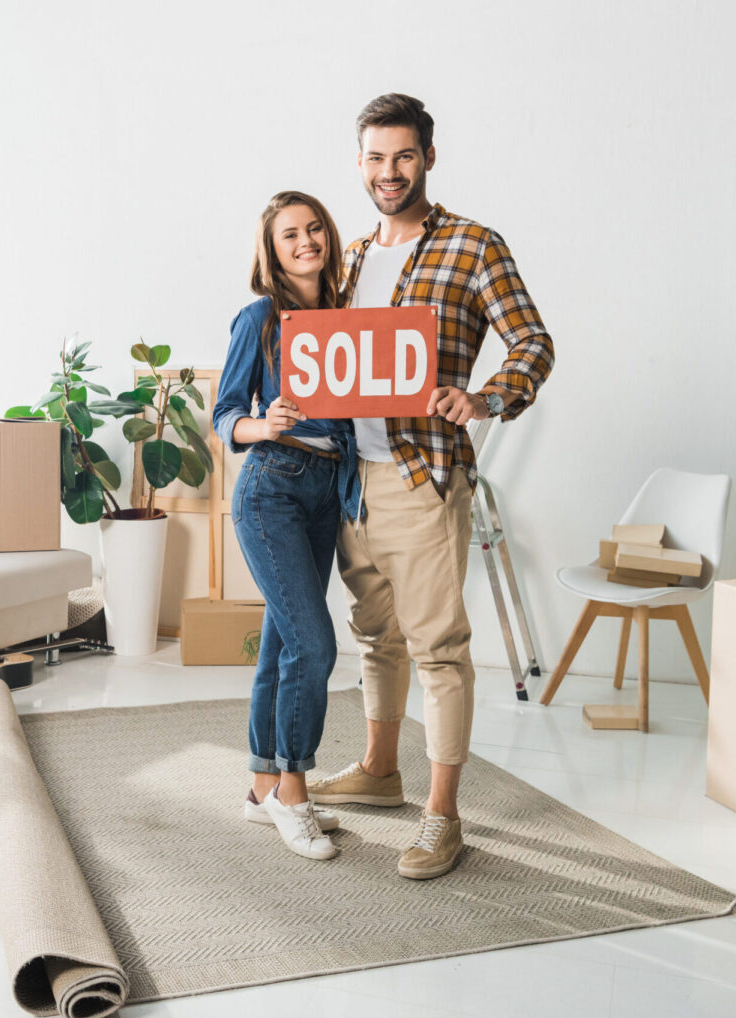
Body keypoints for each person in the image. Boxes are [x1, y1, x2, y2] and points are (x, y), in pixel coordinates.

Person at [307, 94, 555, 879]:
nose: (389, 173)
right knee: (375, 634)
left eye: (403, 156)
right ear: (359, 162)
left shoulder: (473, 247)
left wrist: (485, 397)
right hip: (351, 478)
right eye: (375, 158)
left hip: (422, 477)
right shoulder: (344, 259)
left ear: (429, 158)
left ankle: (441, 817)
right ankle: (380, 772)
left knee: (438, 650)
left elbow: (532, 341)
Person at [212, 190, 354, 862]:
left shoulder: (348, 317)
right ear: (271, 251)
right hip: (272, 486)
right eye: (289, 235)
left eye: (314, 229)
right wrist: (258, 424)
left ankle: (260, 786)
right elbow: (224, 416)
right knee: (314, 646)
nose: (304, 242)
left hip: (327, 490)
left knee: (282, 645)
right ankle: (292, 790)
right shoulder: (261, 317)